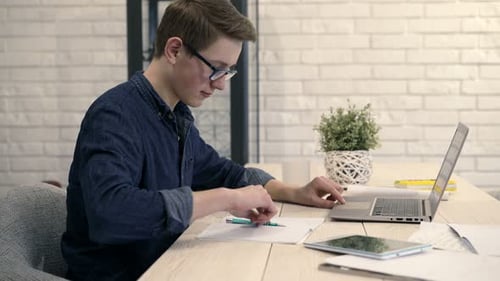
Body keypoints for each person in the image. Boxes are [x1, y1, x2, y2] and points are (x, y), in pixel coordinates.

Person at [61, 0, 345, 280]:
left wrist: (295, 192)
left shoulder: (176, 117)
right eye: (216, 67)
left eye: (228, 71)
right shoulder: (116, 115)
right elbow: (113, 213)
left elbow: (226, 173)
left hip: (167, 267)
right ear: (174, 50)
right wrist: (226, 199)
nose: (221, 83)